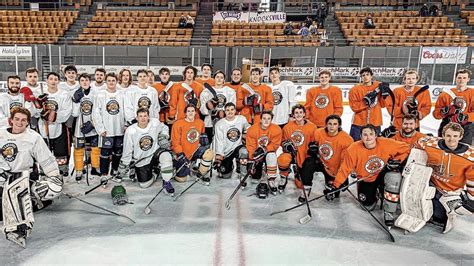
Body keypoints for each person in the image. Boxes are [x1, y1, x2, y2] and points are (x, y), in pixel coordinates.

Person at [0, 107, 63, 247]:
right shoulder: (1, 134)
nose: (19, 122)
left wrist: (54, 177)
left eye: (23, 120)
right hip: (3, 177)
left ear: (28, 122)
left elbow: (47, 160)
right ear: (11, 120)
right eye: (17, 119)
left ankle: (18, 230)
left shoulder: (33, 137)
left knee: (17, 192)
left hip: (24, 177)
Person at [325, 124, 411, 225]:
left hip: (383, 173)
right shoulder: (353, 149)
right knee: (367, 207)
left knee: (394, 177)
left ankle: (389, 211)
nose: (368, 137)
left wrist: (397, 160)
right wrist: (335, 185)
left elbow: (406, 148)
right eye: (365, 134)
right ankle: (375, 193)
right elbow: (345, 168)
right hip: (367, 178)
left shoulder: (386, 143)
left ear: (376, 136)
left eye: (371, 134)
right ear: (360, 137)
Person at [414, 122, 473, 233]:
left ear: (460, 136)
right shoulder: (429, 143)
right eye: (448, 135)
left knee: (439, 219)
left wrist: (472, 198)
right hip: (430, 184)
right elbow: (416, 146)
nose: (452, 139)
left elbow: (472, 179)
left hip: (450, 192)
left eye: (455, 136)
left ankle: (456, 202)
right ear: (443, 135)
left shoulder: (470, 155)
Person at [117, 108, 175, 194]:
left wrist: (163, 136)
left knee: (166, 156)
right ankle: (156, 172)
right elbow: (127, 150)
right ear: (136, 118)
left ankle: (166, 182)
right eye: (140, 116)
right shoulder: (131, 131)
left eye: (145, 116)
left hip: (156, 153)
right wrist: (123, 166)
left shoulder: (154, 123)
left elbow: (165, 127)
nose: (143, 118)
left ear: (148, 117)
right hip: (142, 159)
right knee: (144, 184)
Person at [277, 105, 318, 201]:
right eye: (296, 113)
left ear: (304, 114)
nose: (298, 115)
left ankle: (297, 172)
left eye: (300, 112)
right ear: (293, 115)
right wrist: (286, 146)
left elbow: (316, 142)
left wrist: (313, 148)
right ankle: (284, 178)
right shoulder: (287, 127)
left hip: (305, 156)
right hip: (292, 154)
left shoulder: (312, 127)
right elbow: (282, 141)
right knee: (283, 159)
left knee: (300, 185)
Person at [35, 72, 72, 177]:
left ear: (58, 81)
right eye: (51, 79)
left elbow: (66, 112)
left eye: (55, 79)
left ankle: (61, 170)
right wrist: (40, 110)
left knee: (61, 151)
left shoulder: (64, 94)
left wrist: (53, 116)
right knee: (44, 151)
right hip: (43, 127)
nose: (53, 81)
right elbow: (34, 111)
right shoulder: (40, 93)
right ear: (47, 81)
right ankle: (44, 171)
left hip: (59, 127)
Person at [92, 72, 126, 178]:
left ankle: (115, 170)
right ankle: (104, 173)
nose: (111, 82)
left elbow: (126, 111)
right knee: (105, 153)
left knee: (118, 152)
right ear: (106, 82)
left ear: (117, 82)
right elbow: (96, 113)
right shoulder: (100, 94)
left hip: (119, 129)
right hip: (107, 130)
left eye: (113, 80)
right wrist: (100, 129)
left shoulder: (122, 94)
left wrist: (126, 125)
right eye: (109, 80)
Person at [313, 114, 354, 200]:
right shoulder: (318, 132)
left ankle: (341, 180)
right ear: (326, 125)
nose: (332, 126)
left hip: (334, 168)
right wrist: (312, 149)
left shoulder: (346, 139)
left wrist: (341, 179)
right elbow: (313, 146)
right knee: (309, 162)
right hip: (321, 162)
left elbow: (345, 162)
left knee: (333, 195)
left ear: (339, 125)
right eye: (330, 124)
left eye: (335, 124)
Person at [171, 104, 214, 185]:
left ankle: (201, 174)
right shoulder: (178, 124)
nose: (190, 113)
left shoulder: (200, 122)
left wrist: (204, 142)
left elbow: (202, 137)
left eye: (192, 111)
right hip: (183, 153)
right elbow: (175, 142)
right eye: (188, 111)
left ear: (195, 113)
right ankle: (178, 168)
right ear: (185, 113)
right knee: (182, 179)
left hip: (195, 150)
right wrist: (180, 154)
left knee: (209, 153)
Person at [71, 73, 100, 182]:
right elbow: (74, 113)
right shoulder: (76, 94)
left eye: (86, 80)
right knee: (78, 149)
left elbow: (98, 110)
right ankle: (79, 169)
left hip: (93, 125)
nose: (84, 82)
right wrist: (75, 101)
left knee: (95, 148)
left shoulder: (95, 93)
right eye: (82, 80)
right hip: (80, 126)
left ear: (90, 81)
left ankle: (95, 167)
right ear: (79, 82)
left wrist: (93, 123)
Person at [246, 111, 282, 198]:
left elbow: (275, 145)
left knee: (272, 156)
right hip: (256, 154)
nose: (266, 121)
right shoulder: (252, 129)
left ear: (271, 120)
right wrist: (253, 157)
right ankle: (259, 171)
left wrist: (264, 149)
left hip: (268, 152)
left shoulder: (276, 129)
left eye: (269, 119)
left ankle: (271, 180)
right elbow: (250, 146)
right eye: (264, 118)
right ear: (260, 119)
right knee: (255, 178)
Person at [433, 69, 473, 145]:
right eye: (459, 78)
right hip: (447, 125)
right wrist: (443, 112)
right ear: (455, 78)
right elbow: (436, 114)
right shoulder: (445, 94)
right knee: (443, 149)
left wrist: (467, 117)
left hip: (466, 127)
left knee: (463, 151)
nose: (461, 80)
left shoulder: (472, 93)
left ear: (468, 79)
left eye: (464, 78)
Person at [348, 67, 390, 141]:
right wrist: (366, 102)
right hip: (359, 122)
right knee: (354, 144)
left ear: (371, 76)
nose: (365, 77)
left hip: (375, 122)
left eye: (367, 74)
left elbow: (383, 105)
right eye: (363, 75)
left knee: (375, 145)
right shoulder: (354, 90)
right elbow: (354, 107)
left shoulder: (378, 87)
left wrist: (385, 96)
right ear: (361, 77)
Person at [213, 103, 250, 181]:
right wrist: (219, 157)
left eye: (232, 109)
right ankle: (229, 165)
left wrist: (244, 136)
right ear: (224, 112)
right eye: (227, 110)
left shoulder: (241, 119)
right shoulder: (219, 124)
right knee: (225, 175)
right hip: (227, 152)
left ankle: (243, 174)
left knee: (244, 152)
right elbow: (219, 141)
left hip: (238, 147)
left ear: (235, 110)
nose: (230, 112)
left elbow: (248, 130)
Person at [199, 70, 236, 141]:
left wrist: (223, 113)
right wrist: (208, 107)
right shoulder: (206, 92)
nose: (219, 79)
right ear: (214, 79)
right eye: (217, 77)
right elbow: (202, 110)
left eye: (221, 77)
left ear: (224, 80)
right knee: (210, 145)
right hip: (209, 123)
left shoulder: (230, 91)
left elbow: (232, 108)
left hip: (225, 122)